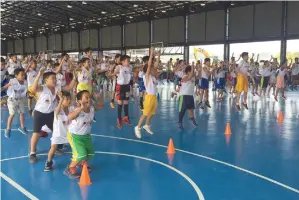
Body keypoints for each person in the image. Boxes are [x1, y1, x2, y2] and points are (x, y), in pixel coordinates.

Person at [28, 68, 77, 163]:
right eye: (53, 78)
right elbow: (33, 89)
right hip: (40, 113)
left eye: (55, 78)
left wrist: (74, 78)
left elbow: (69, 87)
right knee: (36, 133)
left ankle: (54, 147)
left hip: (51, 114)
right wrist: (38, 76)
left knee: (56, 132)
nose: (55, 80)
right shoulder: (43, 87)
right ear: (46, 80)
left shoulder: (57, 87)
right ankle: (32, 153)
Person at [64, 90, 103, 179]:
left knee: (89, 153)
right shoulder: (78, 111)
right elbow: (70, 117)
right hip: (75, 136)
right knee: (80, 153)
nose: (89, 99)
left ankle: (81, 164)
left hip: (86, 135)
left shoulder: (92, 108)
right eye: (86, 97)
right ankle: (69, 168)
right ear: (79, 101)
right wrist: (81, 108)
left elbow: (101, 105)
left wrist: (98, 98)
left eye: (89, 97)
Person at [44, 91, 72, 171]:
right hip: (58, 134)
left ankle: (76, 163)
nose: (69, 100)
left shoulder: (71, 109)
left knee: (76, 148)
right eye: (66, 99)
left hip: (69, 134)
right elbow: (57, 111)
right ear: (61, 100)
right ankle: (48, 162)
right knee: (53, 148)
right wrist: (60, 100)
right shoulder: (58, 109)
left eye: (69, 99)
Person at [134, 48, 157, 138]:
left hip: (154, 97)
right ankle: (138, 127)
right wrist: (151, 55)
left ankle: (146, 125)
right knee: (145, 113)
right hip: (149, 97)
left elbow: (154, 66)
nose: (153, 69)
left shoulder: (153, 77)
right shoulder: (146, 76)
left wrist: (158, 56)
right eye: (150, 68)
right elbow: (150, 65)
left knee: (151, 113)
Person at [1, 68, 29, 138]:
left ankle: (22, 127)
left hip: (20, 99)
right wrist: (3, 88)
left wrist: (29, 94)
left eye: (24, 75)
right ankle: (7, 129)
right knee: (12, 114)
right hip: (12, 100)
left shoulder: (25, 82)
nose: (23, 76)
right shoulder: (13, 81)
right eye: (21, 75)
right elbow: (5, 87)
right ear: (16, 76)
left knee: (22, 113)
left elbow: (25, 92)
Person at [108, 55, 132, 129]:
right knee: (120, 103)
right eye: (127, 61)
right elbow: (113, 73)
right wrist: (111, 73)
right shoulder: (119, 67)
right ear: (122, 61)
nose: (128, 62)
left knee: (126, 102)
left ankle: (126, 117)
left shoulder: (129, 68)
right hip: (120, 86)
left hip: (127, 86)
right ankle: (119, 119)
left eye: (129, 61)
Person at [177, 65, 197, 130]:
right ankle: (179, 122)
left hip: (190, 95)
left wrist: (199, 70)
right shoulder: (185, 77)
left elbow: (199, 76)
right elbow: (189, 78)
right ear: (188, 72)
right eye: (192, 71)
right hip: (183, 95)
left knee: (190, 108)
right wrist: (192, 67)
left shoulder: (193, 77)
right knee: (182, 110)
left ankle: (192, 119)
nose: (193, 72)